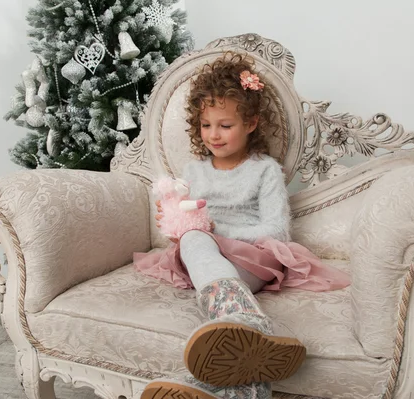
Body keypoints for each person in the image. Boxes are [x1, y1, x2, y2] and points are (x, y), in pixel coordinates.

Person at [135, 52, 350, 399]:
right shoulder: (194, 172)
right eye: (206, 125)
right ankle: (242, 370)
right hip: (206, 258)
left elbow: (277, 230)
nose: (213, 135)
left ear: (250, 123)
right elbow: (183, 222)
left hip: (252, 256)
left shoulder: (265, 171)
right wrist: (177, 222)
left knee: (198, 237)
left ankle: (241, 324)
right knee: (191, 238)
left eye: (225, 125)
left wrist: (215, 228)